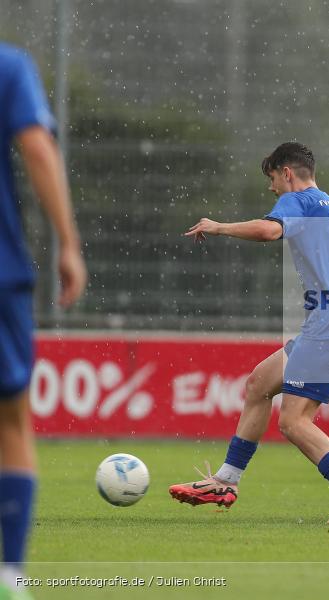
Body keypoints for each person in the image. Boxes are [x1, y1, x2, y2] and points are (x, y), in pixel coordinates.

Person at [169, 142, 329, 525]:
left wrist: (219, 227)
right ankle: (226, 480)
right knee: (258, 384)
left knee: (293, 421)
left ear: (287, 173)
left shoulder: (300, 200)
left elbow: (270, 231)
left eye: (272, 179)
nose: (272, 190)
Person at [0, 43, 87, 597]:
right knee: (9, 421)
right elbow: (36, 143)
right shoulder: (8, 66)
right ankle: (8, 575)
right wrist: (69, 243)